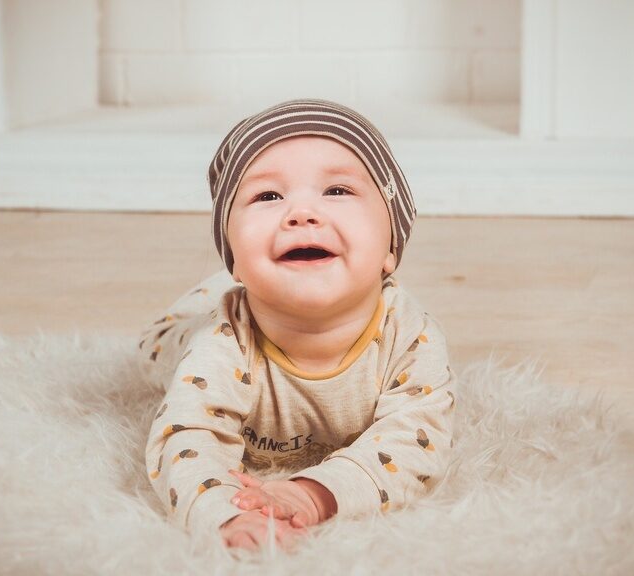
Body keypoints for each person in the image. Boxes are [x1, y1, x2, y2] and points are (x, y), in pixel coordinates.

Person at [139, 99, 456, 551]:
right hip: (182, 335)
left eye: (337, 191)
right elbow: (188, 437)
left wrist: (314, 492)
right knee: (166, 346)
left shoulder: (411, 336)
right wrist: (223, 514)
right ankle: (212, 292)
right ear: (234, 258)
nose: (302, 214)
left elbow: (415, 442)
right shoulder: (221, 341)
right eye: (268, 196)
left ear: (391, 246)